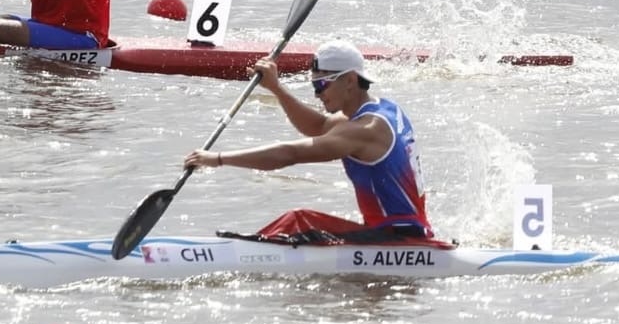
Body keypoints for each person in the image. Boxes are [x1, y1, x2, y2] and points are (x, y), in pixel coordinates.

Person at [184, 40, 433, 240]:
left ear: (350, 80)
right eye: (314, 85)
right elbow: (318, 127)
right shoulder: (382, 110)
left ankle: (238, 254)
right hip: (403, 232)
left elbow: (288, 154)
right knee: (301, 223)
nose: (317, 94)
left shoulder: (365, 130)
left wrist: (217, 159)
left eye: (322, 84)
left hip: (396, 238)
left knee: (299, 221)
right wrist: (276, 88)